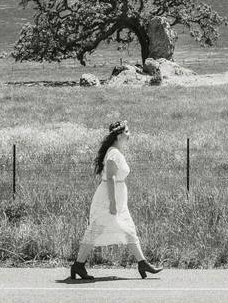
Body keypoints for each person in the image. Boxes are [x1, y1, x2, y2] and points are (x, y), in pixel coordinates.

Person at [69, 120, 163, 280]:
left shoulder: (115, 152)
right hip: (108, 199)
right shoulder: (113, 154)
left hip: (116, 198)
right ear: (119, 136)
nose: (129, 134)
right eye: (127, 132)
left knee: (127, 229)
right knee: (96, 229)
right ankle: (78, 265)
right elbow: (111, 178)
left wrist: (116, 201)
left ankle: (142, 262)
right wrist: (112, 203)